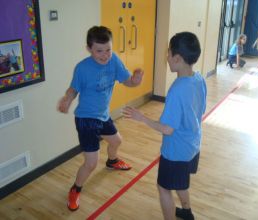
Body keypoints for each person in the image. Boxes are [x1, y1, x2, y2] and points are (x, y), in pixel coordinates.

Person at [57, 26, 144, 211]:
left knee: (117, 141)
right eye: (99, 51)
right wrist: (67, 99)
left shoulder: (114, 61)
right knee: (91, 163)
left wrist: (135, 81)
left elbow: (127, 80)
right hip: (86, 120)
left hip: (103, 116)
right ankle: (75, 189)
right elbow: (73, 89)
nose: (105, 55)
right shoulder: (82, 68)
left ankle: (112, 161)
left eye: (108, 50)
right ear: (89, 49)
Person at [123, 32, 207, 220]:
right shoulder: (199, 79)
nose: (166, 58)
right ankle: (186, 212)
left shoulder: (177, 90)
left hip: (176, 151)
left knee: (164, 187)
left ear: (177, 58)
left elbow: (168, 129)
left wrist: (141, 117)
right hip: (193, 145)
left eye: (168, 54)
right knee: (180, 182)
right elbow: (200, 110)